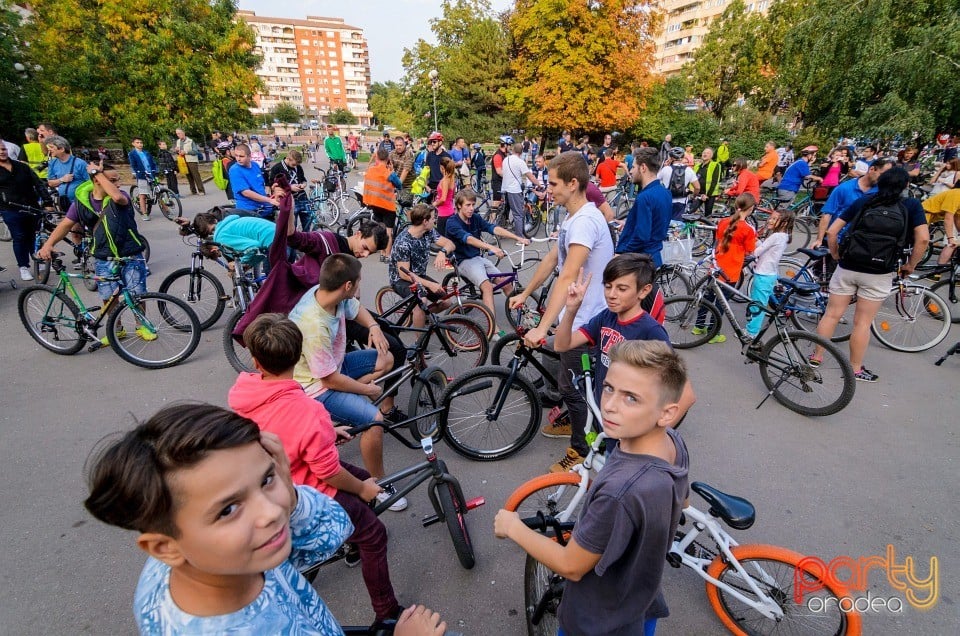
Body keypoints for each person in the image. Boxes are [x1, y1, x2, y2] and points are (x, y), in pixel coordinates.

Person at [83, 403, 447, 636]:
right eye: (227, 509)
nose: (272, 512)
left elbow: (333, 529)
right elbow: (336, 529)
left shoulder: (206, 560)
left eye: (265, 478)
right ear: (164, 547)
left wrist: (285, 486)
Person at [494, 340, 690, 636]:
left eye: (631, 398)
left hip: (597, 621)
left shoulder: (618, 492)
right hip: (640, 603)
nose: (609, 404)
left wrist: (513, 528)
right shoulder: (674, 442)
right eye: (609, 388)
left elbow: (570, 565)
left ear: (666, 413)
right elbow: (683, 502)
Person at [229, 314, 405, 622]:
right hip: (306, 489)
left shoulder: (243, 393)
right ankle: (387, 612)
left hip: (277, 477)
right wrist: (361, 488)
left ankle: (350, 542)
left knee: (365, 477)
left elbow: (280, 429)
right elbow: (328, 472)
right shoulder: (309, 411)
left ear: (255, 362)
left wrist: (326, 433)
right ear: (299, 357)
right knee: (375, 532)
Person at [508, 152, 615, 472]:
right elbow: (552, 260)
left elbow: (567, 275)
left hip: (587, 319)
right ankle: (573, 416)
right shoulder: (575, 217)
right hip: (576, 315)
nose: (547, 188)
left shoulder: (585, 222)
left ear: (572, 183)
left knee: (572, 385)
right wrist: (525, 292)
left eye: (552, 182)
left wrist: (541, 327)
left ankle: (581, 447)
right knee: (563, 374)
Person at [288, 253, 406, 509]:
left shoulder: (331, 294)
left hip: (336, 365)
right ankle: (379, 485)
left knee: (387, 358)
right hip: (315, 388)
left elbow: (357, 310)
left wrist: (374, 326)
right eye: (360, 281)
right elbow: (329, 381)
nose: (361, 286)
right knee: (374, 421)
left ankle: (353, 400)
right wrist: (367, 389)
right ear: (348, 285)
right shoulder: (313, 324)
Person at [814, 167, 929, 382]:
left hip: (848, 266)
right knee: (862, 323)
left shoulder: (865, 201)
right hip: (880, 271)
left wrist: (836, 254)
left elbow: (832, 231)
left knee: (831, 314)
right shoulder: (911, 205)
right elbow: (923, 239)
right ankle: (854, 369)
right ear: (905, 186)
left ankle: (816, 357)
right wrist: (911, 265)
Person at [554, 253, 696, 424]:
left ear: (644, 291)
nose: (611, 294)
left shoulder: (650, 331)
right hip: (606, 416)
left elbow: (686, 394)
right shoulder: (606, 317)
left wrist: (655, 436)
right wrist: (571, 309)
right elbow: (562, 345)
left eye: (622, 289)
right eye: (608, 286)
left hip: (630, 424)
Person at [38, 163, 150, 346]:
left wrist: (98, 172)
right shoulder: (81, 202)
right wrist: (48, 244)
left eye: (117, 179)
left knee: (137, 293)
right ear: (97, 181)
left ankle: (142, 325)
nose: (118, 183)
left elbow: (115, 195)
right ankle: (117, 330)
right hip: (103, 256)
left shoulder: (121, 197)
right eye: (112, 180)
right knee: (108, 295)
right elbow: (65, 224)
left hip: (130, 252)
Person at [445, 188, 530, 318]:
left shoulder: (475, 218)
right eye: (468, 205)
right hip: (463, 261)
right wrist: (491, 247)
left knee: (506, 283)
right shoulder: (452, 223)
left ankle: (526, 315)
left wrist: (517, 237)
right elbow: (468, 239)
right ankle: (493, 329)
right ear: (458, 206)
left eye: (473, 204)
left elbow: (493, 228)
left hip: (477, 258)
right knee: (487, 287)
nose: (471, 208)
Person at [695, 194, 758, 345]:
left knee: (708, 297)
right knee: (721, 303)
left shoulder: (723, 222)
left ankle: (699, 325)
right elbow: (750, 250)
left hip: (716, 267)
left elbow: (718, 239)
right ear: (750, 209)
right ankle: (713, 332)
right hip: (731, 271)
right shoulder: (749, 229)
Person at [390, 203, 457, 328]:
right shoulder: (403, 242)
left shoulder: (428, 232)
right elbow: (404, 274)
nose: (435, 220)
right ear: (425, 221)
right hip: (401, 280)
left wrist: (442, 253)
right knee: (421, 302)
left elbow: (450, 244)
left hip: (419, 276)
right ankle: (418, 342)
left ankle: (422, 316)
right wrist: (430, 284)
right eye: (433, 218)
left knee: (447, 301)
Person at [0, 143, 53, 280]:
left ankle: (38, 260)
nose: (2, 152)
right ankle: (23, 266)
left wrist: (47, 202)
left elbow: (38, 183)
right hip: (10, 209)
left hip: (31, 206)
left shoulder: (21, 166)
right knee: (19, 237)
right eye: (0, 150)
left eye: (4, 149)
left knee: (34, 235)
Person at [616, 147, 673, 266]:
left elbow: (642, 236)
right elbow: (656, 223)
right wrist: (629, 224)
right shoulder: (665, 193)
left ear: (643, 168)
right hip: (655, 256)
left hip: (639, 260)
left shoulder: (645, 197)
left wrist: (622, 255)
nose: (631, 171)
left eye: (633, 167)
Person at [814, 158, 892, 246]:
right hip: (836, 240)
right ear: (872, 169)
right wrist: (819, 239)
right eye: (882, 174)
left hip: (861, 244)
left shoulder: (882, 193)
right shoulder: (844, 188)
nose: (884, 179)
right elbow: (827, 214)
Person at [744, 209, 794, 341]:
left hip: (763, 274)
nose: (769, 220)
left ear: (784, 223)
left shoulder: (776, 236)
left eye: (774, 219)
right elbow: (765, 248)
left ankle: (752, 333)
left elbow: (756, 252)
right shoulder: (783, 236)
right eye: (770, 218)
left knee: (758, 305)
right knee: (762, 300)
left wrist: (749, 242)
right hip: (770, 272)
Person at [363, 148, 403, 257]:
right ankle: (387, 255)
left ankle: (381, 253)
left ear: (376, 157)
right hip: (388, 206)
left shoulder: (371, 170)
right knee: (388, 232)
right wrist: (392, 170)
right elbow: (399, 185)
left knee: (380, 230)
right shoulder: (388, 173)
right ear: (388, 159)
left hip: (375, 204)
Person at [502, 142, 540, 239]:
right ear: (521, 152)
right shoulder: (520, 162)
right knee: (518, 214)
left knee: (504, 210)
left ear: (513, 150)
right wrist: (538, 184)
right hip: (514, 190)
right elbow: (529, 176)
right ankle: (520, 237)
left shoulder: (506, 160)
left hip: (504, 188)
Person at [229, 143, 279, 218]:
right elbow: (246, 193)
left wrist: (271, 194)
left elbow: (260, 185)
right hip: (248, 210)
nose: (238, 159)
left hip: (263, 206)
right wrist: (269, 200)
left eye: (241, 156)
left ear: (250, 156)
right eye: (236, 155)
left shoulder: (255, 165)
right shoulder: (235, 170)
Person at [269, 149, 312, 230]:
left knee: (307, 220)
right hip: (289, 199)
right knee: (292, 225)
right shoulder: (277, 168)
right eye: (293, 164)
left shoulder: (298, 167)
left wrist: (303, 184)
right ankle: (293, 241)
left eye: (296, 165)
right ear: (288, 159)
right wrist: (290, 187)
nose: (295, 166)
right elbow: (272, 185)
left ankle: (306, 240)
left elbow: (303, 179)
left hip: (302, 197)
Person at [44, 135, 89, 211]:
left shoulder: (80, 163)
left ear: (61, 149)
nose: (49, 150)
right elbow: (50, 183)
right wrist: (62, 179)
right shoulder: (52, 163)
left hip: (80, 203)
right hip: (62, 204)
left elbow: (91, 182)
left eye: (51, 147)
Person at [658, 147, 700, 221]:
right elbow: (697, 187)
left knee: (664, 223)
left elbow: (655, 181)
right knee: (677, 225)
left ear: (671, 158)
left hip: (667, 201)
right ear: (683, 157)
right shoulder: (689, 170)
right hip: (682, 201)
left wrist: (664, 166)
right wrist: (693, 196)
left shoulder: (666, 169)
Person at [921, 188, 960, 266]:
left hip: (930, 216)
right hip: (923, 213)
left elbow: (957, 218)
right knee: (919, 240)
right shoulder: (957, 194)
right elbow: (948, 218)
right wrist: (950, 238)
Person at [127, 137, 159, 221]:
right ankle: (144, 213)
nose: (140, 144)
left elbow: (152, 162)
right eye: (137, 142)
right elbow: (133, 165)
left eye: (141, 142)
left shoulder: (146, 153)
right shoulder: (132, 154)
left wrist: (155, 170)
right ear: (133, 144)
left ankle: (166, 210)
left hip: (151, 174)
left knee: (158, 192)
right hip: (142, 175)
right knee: (143, 194)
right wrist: (138, 172)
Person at [690, 147, 722, 217]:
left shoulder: (715, 165)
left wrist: (707, 195)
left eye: (707, 153)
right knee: (690, 211)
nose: (705, 154)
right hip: (698, 193)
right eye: (704, 152)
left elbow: (714, 181)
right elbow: (693, 179)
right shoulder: (697, 166)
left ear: (711, 156)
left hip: (709, 194)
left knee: (707, 215)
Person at [174, 128, 205, 196]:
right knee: (188, 176)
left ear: (183, 133)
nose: (178, 135)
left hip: (192, 160)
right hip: (183, 160)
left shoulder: (190, 141)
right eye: (177, 134)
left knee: (196, 175)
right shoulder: (178, 141)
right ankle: (193, 190)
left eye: (179, 133)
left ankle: (201, 190)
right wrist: (176, 150)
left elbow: (196, 151)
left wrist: (186, 152)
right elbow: (178, 151)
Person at [488, 136, 510, 222]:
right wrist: (509, 177)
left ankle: (503, 221)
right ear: (505, 145)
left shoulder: (503, 155)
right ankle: (491, 223)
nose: (510, 147)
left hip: (502, 182)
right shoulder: (498, 155)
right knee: (496, 203)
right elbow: (499, 171)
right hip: (497, 182)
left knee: (504, 203)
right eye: (509, 145)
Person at [433, 156, 457, 237]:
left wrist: (435, 204)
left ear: (442, 167)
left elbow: (443, 199)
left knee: (442, 240)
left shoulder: (445, 181)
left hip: (443, 214)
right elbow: (452, 195)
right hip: (451, 212)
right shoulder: (452, 179)